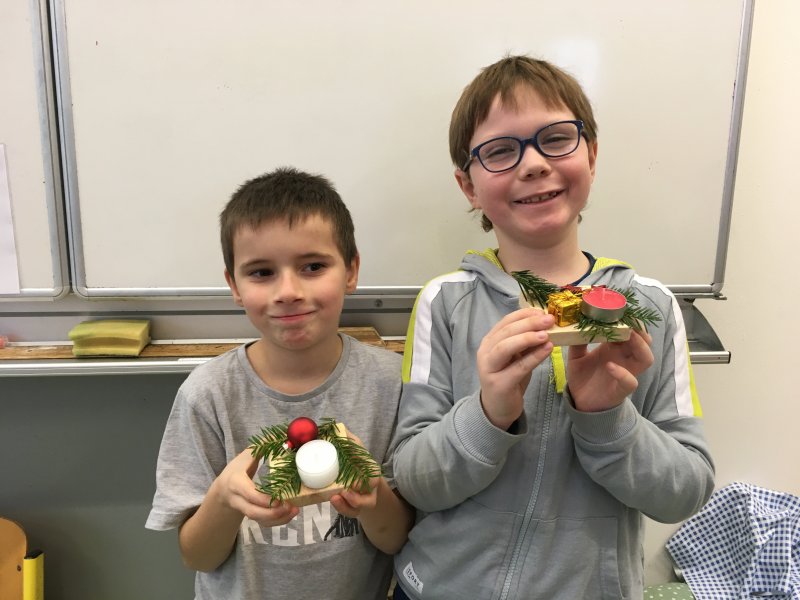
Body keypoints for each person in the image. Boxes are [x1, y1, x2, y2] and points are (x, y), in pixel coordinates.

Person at [390, 56, 715, 600]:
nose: (534, 163)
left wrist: (608, 419)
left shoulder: (650, 306)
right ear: (468, 186)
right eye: (499, 151)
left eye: (557, 139)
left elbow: (687, 492)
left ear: (592, 154)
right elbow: (413, 481)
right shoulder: (444, 302)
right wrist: (488, 412)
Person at [146, 167, 413, 600]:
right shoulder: (207, 394)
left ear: (351, 270)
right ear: (234, 285)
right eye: (261, 272)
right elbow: (197, 556)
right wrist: (223, 498)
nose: (288, 291)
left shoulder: (391, 384)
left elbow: (396, 539)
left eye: (313, 266)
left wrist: (374, 493)